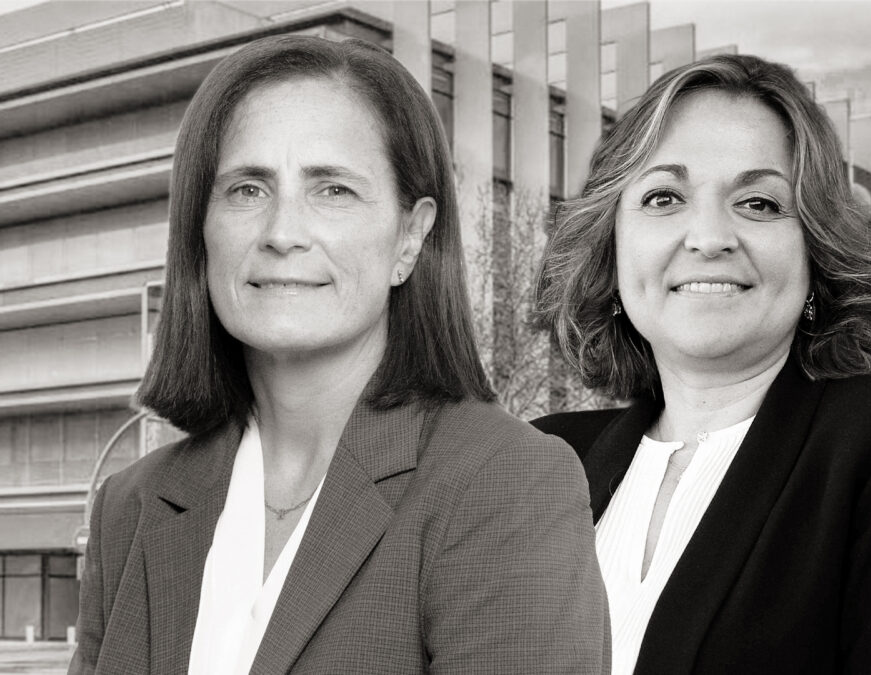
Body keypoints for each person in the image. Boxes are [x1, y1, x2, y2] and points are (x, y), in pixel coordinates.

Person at [70, 35, 607, 675]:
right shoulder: (130, 507)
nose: (282, 234)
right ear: (200, 228)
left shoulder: (505, 482)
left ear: (410, 237)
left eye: (333, 190)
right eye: (247, 189)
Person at [533, 53, 871, 674]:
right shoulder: (540, 460)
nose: (709, 237)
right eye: (663, 197)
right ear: (610, 246)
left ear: (816, 250)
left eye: (759, 204)